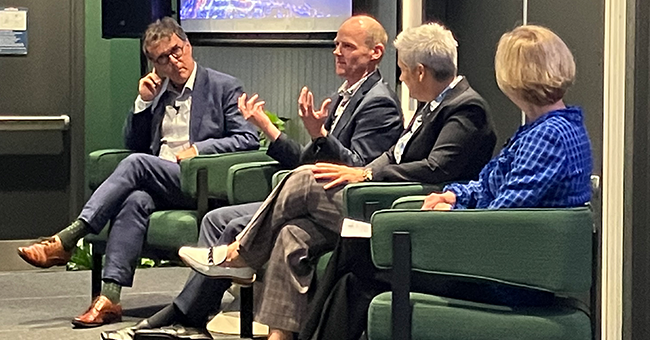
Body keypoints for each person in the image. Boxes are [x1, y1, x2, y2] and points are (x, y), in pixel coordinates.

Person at [179, 22, 497, 340]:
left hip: (404, 212)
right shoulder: (432, 105)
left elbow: (436, 168)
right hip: (379, 198)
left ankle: (240, 254)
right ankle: (280, 336)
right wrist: (365, 172)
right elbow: (392, 154)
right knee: (292, 234)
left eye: (403, 71)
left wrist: (366, 174)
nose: (400, 78)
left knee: (305, 178)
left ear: (421, 72)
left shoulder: (465, 108)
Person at [101, 14, 404, 340]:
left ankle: (198, 302)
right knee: (228, 222)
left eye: (347, 46)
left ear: (376, 53)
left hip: (347, 207)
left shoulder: (379, 104)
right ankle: (262, 330)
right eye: (335, 44)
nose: (336, 52)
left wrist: (321, 137)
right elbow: (306, 160)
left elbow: (358, 169)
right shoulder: (344, 95)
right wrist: (268, 128)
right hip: (314, 198)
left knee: (239, 224)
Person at [299, 24, 593, 340]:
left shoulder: (547, 137)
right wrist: (452, 196)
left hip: (504, 277)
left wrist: (448, 217)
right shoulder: (551, 129)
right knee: (355, 265)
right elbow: (488, 187)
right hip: (502, 262)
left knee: (357, 258)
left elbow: (502, 218)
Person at [16, 17, 259, 328]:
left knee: (136, 164)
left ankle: (68, 238)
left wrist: (200, 150)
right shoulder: (156, 92)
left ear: (187, 45)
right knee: (135, 200)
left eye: (176, 51)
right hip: (159, 181)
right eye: (163, 59)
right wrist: (143, 102)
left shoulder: (223, 86)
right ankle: (110, 298)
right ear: (154, 65)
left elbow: (247, 138)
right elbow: (133, 142)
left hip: (198, 181)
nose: (174, 61)